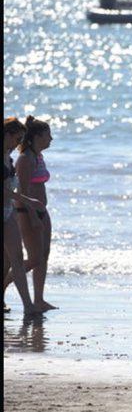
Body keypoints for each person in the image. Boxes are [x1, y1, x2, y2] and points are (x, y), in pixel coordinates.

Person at [4, 116, 57, 312]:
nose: (51, 139)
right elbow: (22, 192)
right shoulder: (25, 159)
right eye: (47, 135)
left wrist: (41, 213)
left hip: (41, 210)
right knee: (33, 258)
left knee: (43, 256)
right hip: (25, 213)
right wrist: (33, 217)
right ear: (36, 137)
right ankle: (5, 283)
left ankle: (39, 299)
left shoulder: (38, 157)